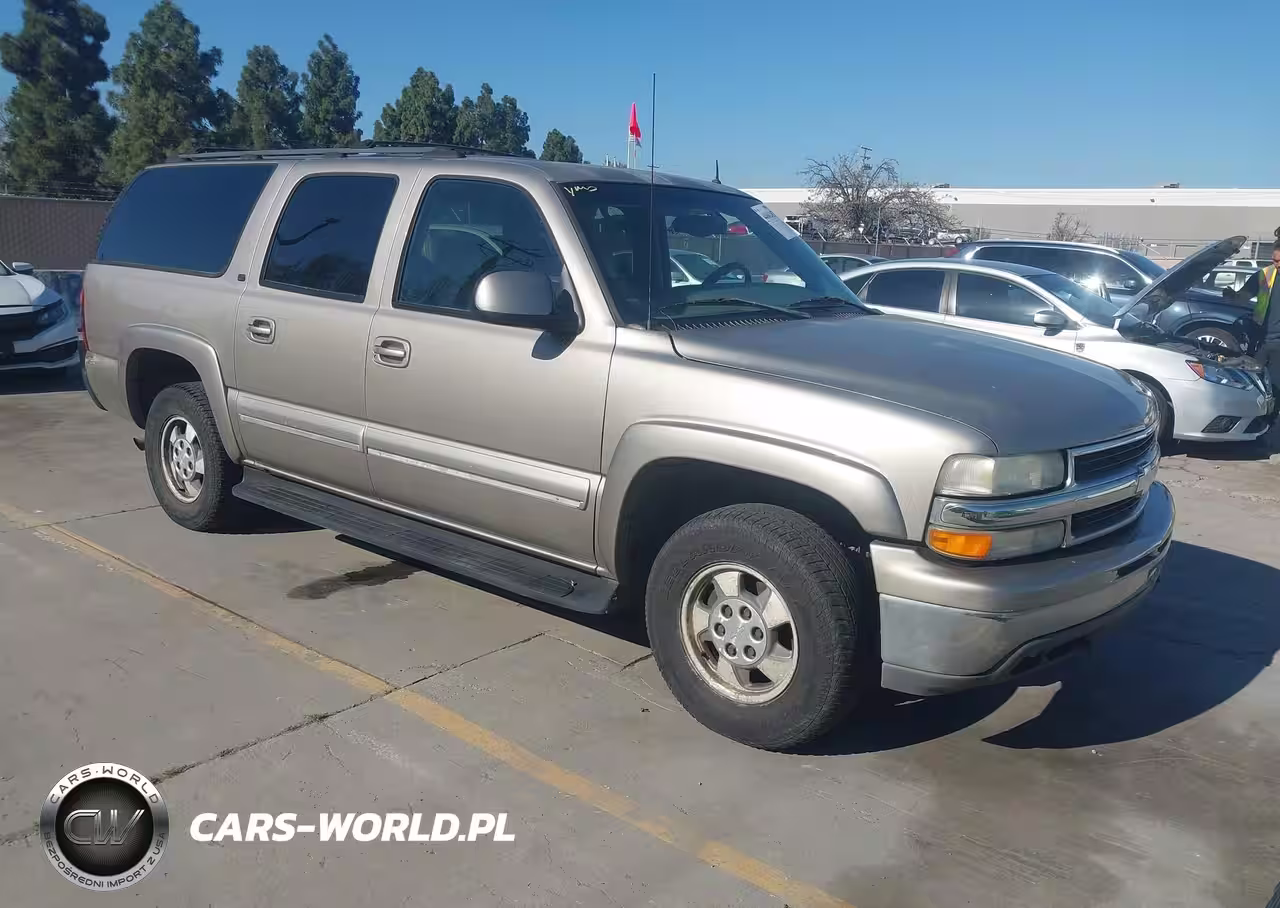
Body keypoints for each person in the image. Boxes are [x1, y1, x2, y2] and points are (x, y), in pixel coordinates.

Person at [1224, 246, 1280, 392]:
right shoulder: (1264, 275)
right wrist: (1232, 296)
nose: (1277, 265)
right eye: (1274, 261)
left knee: (1276, 385)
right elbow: (1242, 297)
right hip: (1261, 340)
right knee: (1256, 383)